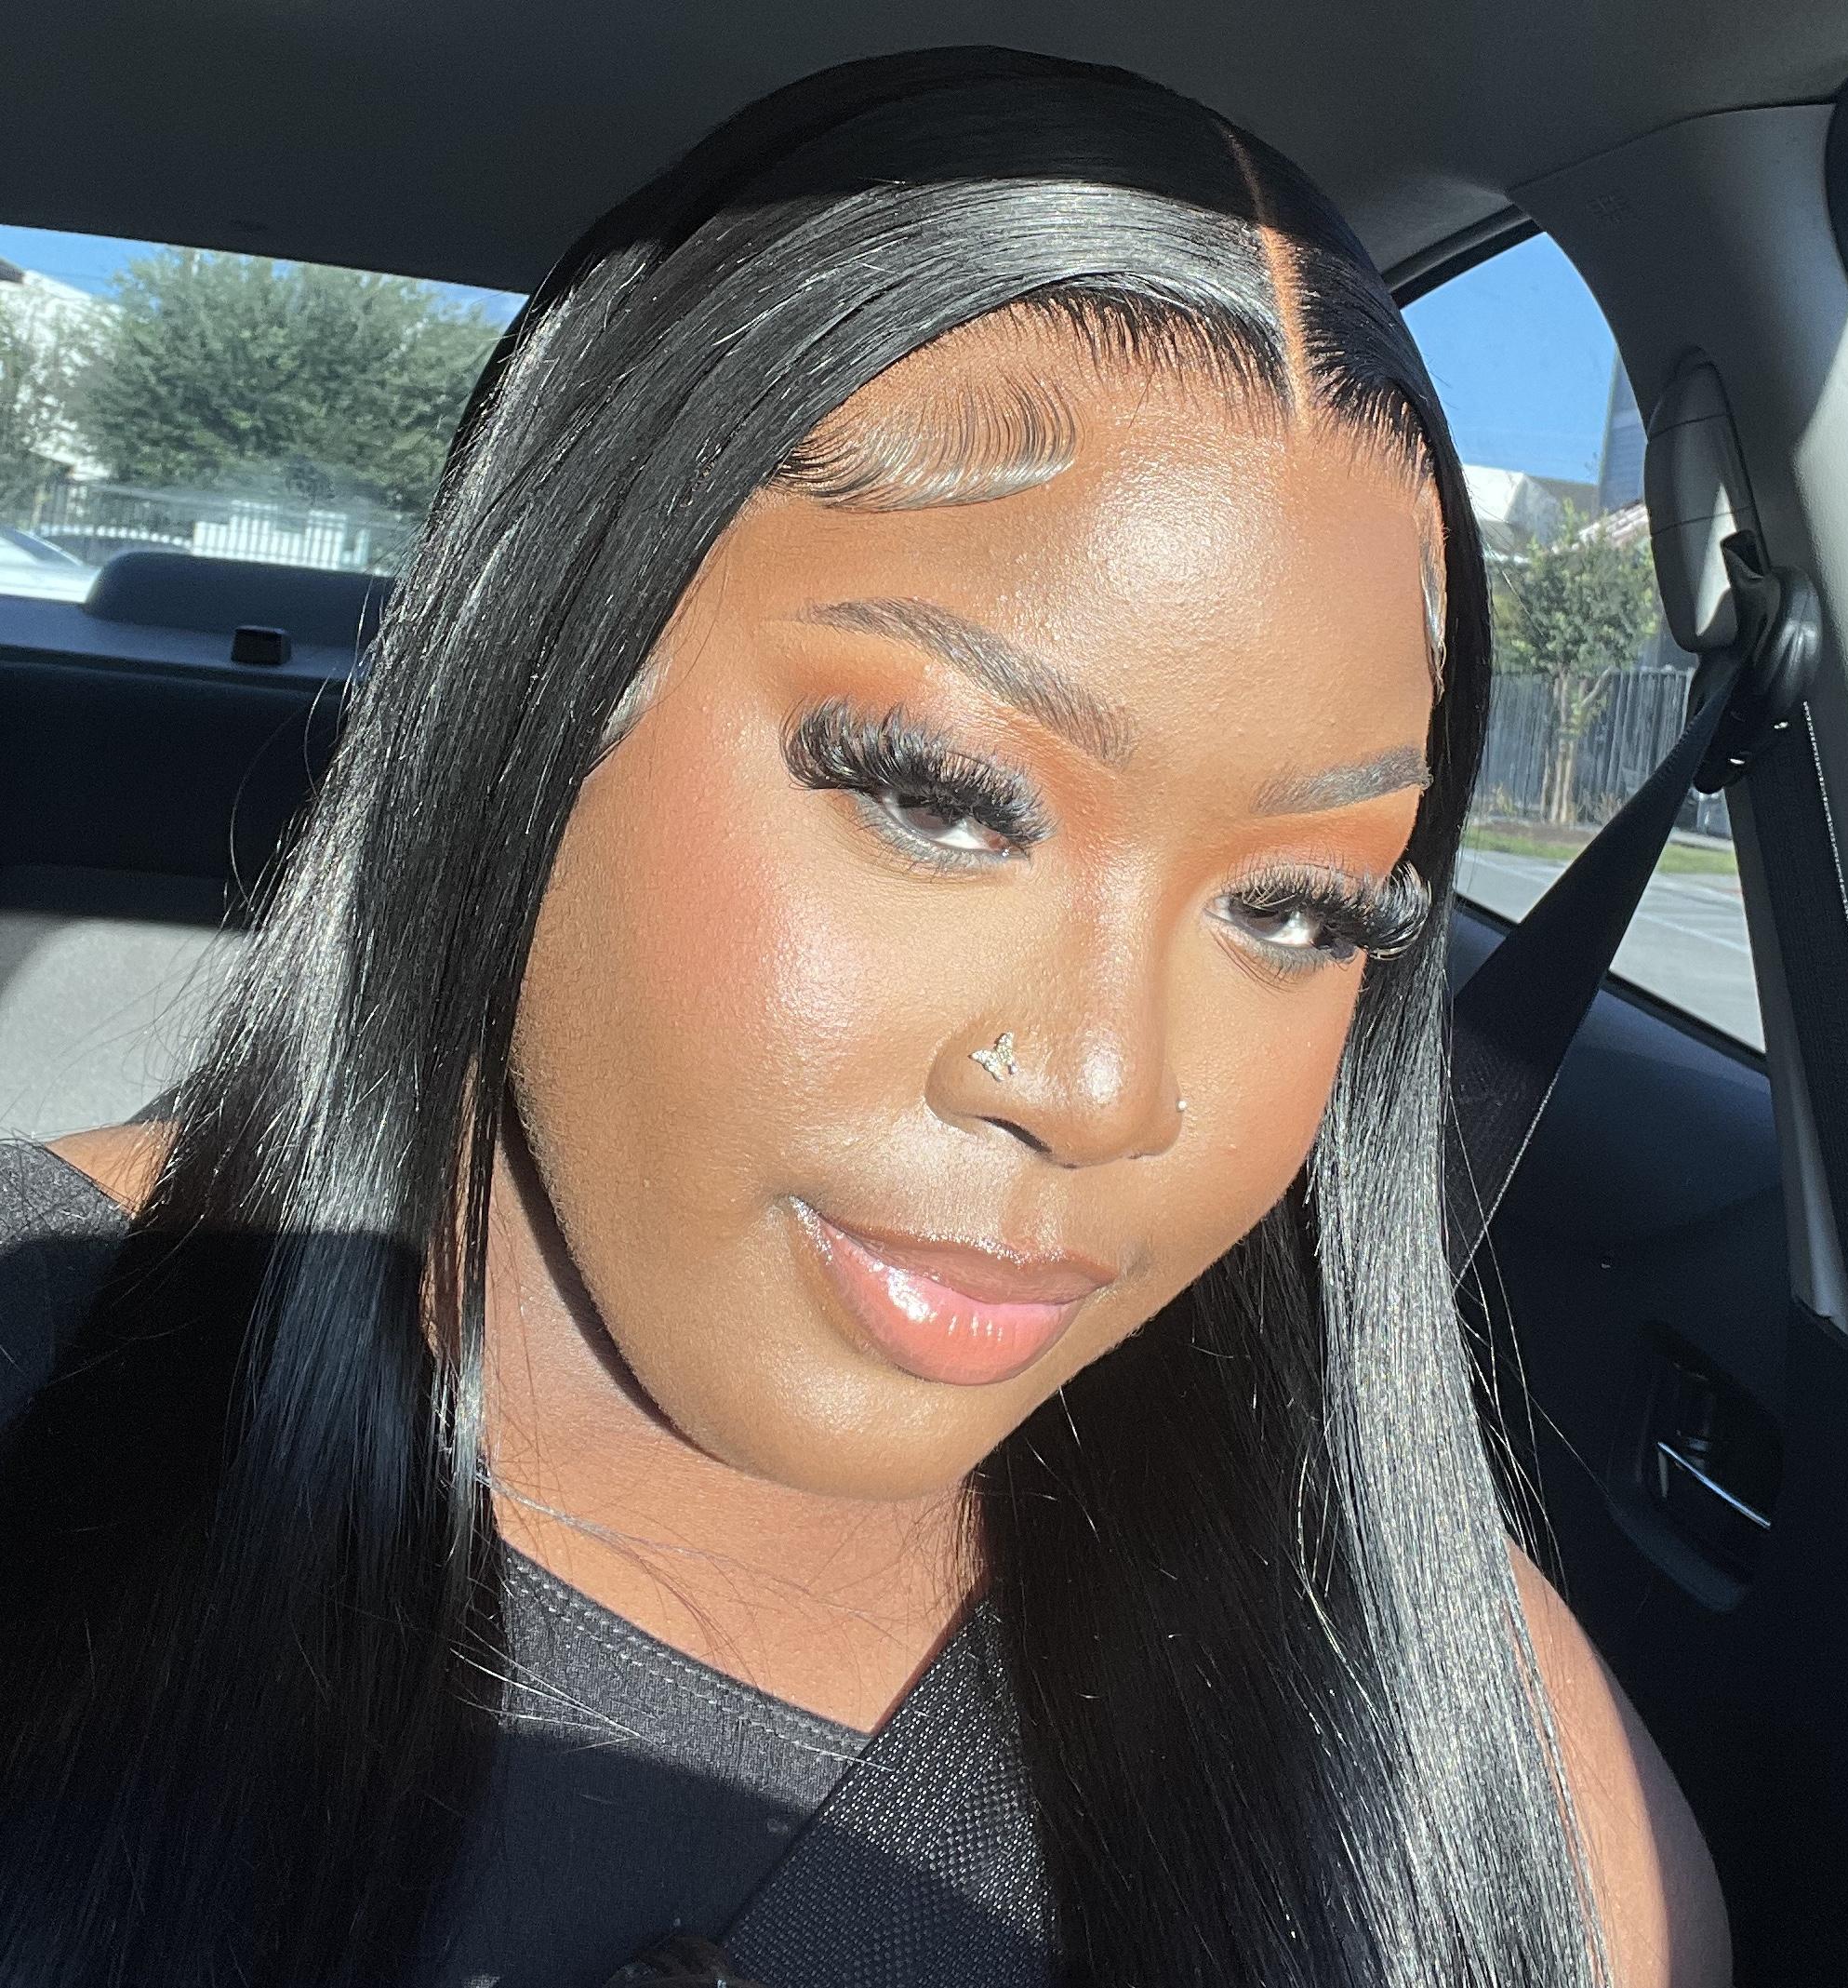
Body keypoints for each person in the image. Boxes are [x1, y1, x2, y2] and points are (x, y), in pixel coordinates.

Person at [0, 46, 1730, 1988]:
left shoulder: (1468, 1755)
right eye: (938, 795)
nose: (1103, 1088)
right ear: (530, 671)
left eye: (1298, 909)